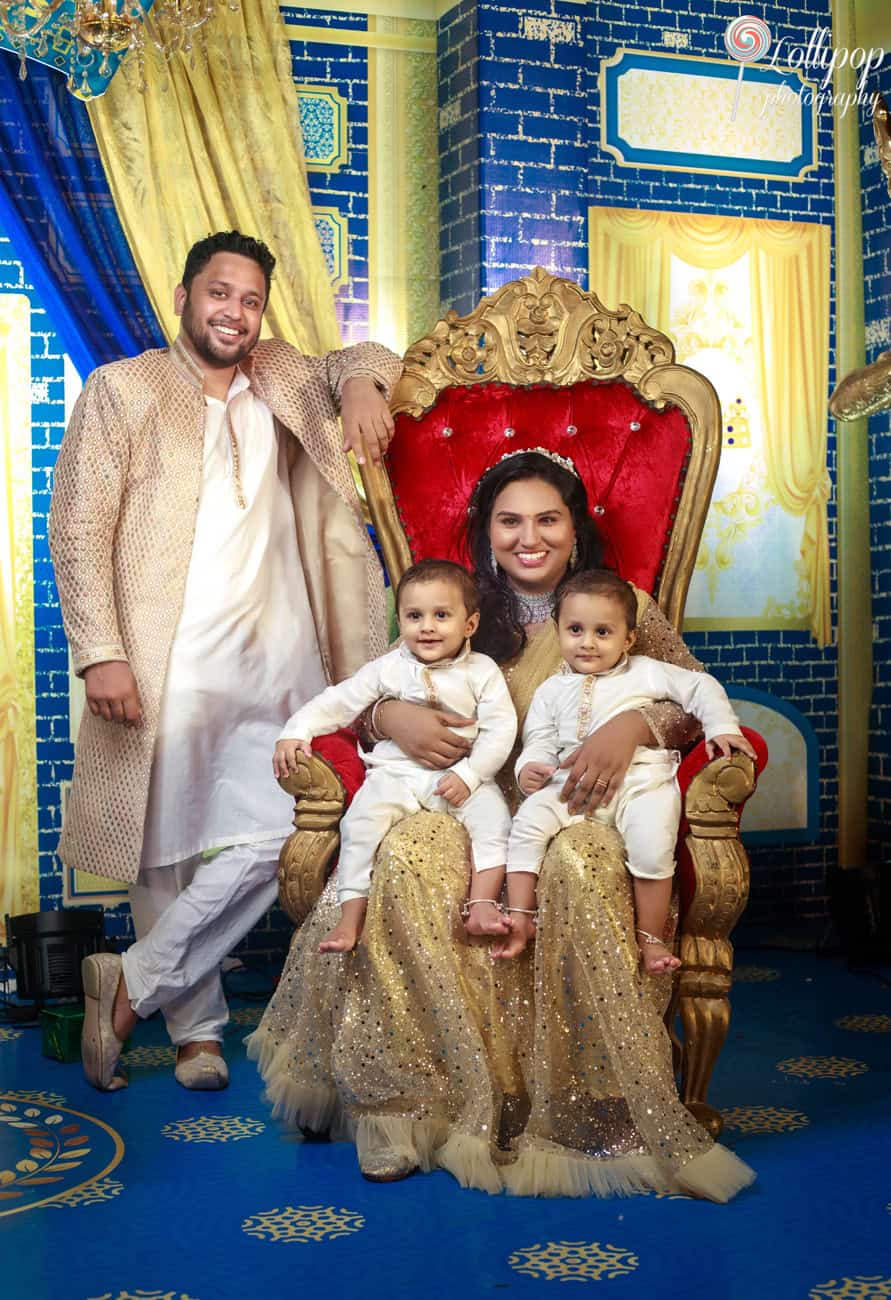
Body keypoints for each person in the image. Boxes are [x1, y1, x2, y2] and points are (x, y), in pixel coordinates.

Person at [249, 449, 755, 1201]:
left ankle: (591, 1105)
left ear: (574, 528)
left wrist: (634, 729)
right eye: (509, 521)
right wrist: (393, 716)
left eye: (547, 519)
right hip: (464, 800)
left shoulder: (626, 606)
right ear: (485, 533)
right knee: (410, 856)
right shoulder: (454, 606)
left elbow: (689, 700)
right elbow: (365, 701)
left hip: (581, 803)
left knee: (580, 863)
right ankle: (404, 1107)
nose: (529, 537)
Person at [49, 230, 403, 1093]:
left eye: (250, 300)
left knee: (292, 825)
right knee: (162, 853)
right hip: (167, 662)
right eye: (219, 294)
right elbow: (79, 527)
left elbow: (368, 349)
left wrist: (360, 382)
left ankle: (129, 982)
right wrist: (101, 653)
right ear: (182, 297)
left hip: (283, 665)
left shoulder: (282, 374)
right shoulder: (122, 389)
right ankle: (196, 1033)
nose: (234, 313)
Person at [498, 568, 756, 972]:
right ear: (558, 630)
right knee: (526, 825)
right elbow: (541, 739)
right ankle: (521, 918)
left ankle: (651, 941)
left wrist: (722, 726)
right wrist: (530, 768)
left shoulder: (647, 671)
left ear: (629, 637)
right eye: (576, 630)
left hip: (642, 783)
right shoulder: (551, 690)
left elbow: (701, 687)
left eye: (603, 632)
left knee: (652, 847)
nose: (587, 642)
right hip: (570, 783)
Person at [273, 559, 517, 952]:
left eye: (441, 615)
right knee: (359, 824)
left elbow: (500, 729)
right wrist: (295, 731)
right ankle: (349, 920)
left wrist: (471, 775)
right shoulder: (388, 668)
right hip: (396, 773)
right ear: (400, 621)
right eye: (414, 616)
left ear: (469, 624)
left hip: (461, 775)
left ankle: (484, 905)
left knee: (495, 821)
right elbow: (339, 701)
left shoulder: (481, 671)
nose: (427, 627)